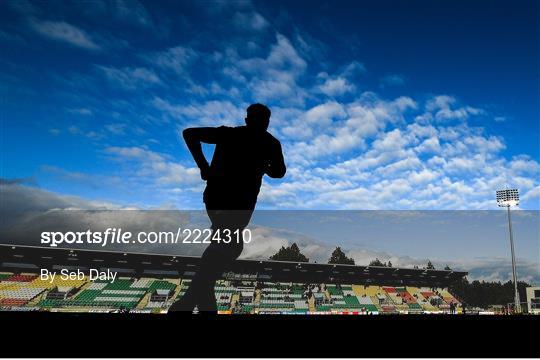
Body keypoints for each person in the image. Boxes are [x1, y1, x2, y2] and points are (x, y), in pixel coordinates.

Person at [169, 103, 286, 313]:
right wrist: (264, 166)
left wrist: (203, 166)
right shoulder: (270, 143)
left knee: (221, 247)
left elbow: (189, 134)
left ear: (247, 119)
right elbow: (279, 173)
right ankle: (185, 303)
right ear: (266, 122)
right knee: (230, 246)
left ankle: (204, 307)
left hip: (215, 199)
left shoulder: (229, 134)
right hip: (239, 203)